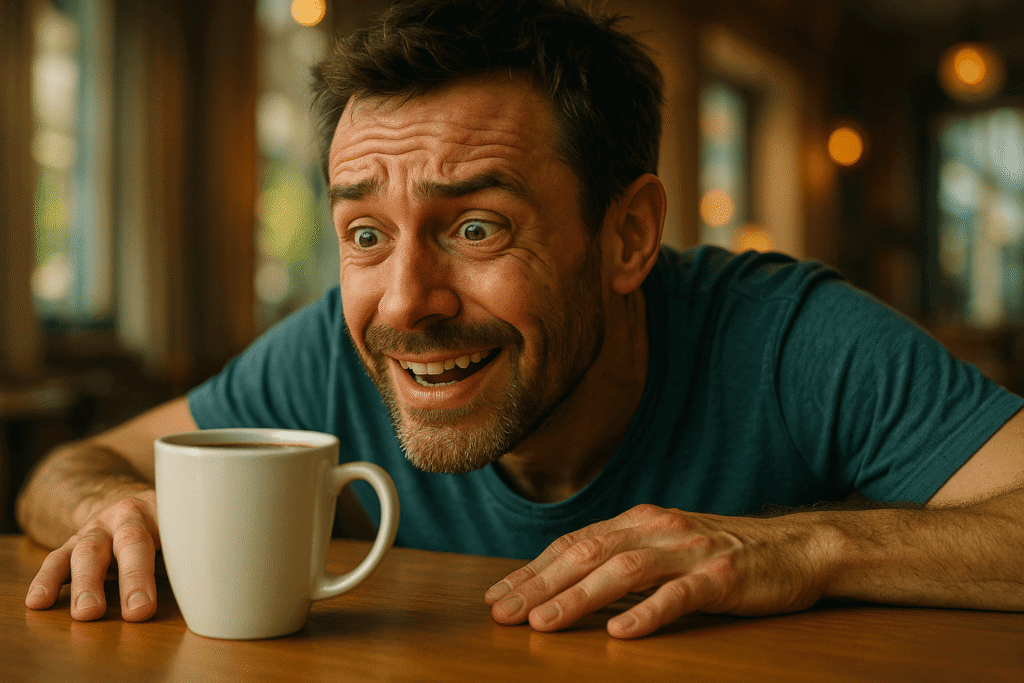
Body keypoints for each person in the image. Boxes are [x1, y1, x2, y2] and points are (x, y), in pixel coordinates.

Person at [16, 0, 1024, 640]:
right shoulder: (332, 344)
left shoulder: (788, 337)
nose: (405, 300)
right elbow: (72, 467)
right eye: (364, 232)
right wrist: (114, 510)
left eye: (477, 225)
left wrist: (806, 549)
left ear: (628, 235)